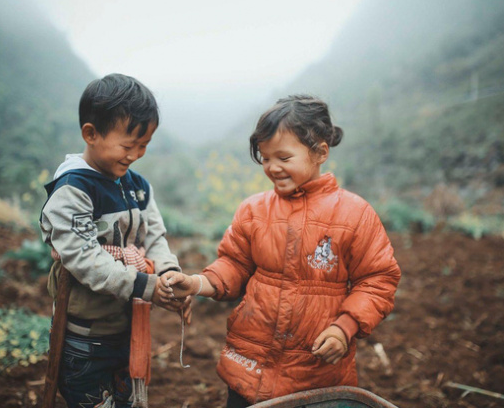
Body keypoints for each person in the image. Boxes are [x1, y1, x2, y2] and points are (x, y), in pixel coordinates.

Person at [162, 95, 401, 407]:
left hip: (315, 374)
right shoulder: (253, 210)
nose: (273, 168)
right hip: (249, 365)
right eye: (265, 158)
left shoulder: (354, 214)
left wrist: (344, 329)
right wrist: (196, 283)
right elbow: (233, 265)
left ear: (320, 153)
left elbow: (378, 279)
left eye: (284, 158)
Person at [40, 73, 187, 408]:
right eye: (127, 145)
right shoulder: (73, 189)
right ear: (91, 134)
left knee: (122, 400)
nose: (135, 154)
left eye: (144, 146)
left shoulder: (137, 186)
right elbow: (85, 259)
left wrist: (167, 272)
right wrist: (146, 286)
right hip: (86, 337)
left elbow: (155, 236)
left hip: (127, 327)